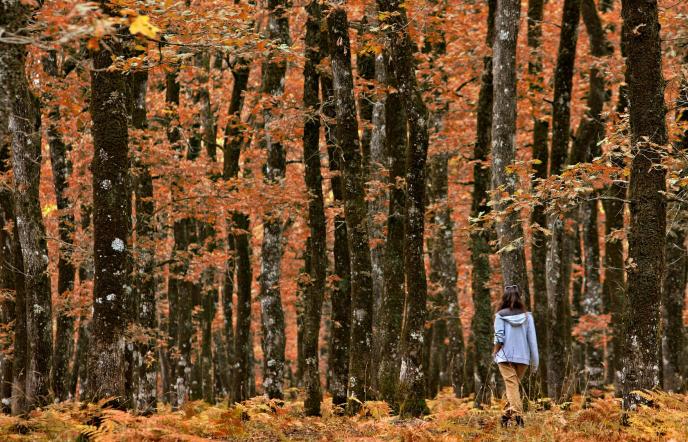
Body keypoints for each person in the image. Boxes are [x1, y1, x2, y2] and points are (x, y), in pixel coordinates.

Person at [492, 284, 538, 428]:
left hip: (505, 357)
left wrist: (494, 353)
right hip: (523, 358)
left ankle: (518, 417)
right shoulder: (527, 317)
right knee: (513, 387)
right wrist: (535, 362)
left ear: (504, 298)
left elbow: (499, 338)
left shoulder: (500, 316)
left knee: (512, 387)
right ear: (520, 298)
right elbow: (532, 340)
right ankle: (505, 417)